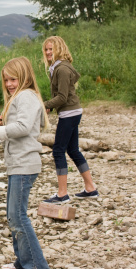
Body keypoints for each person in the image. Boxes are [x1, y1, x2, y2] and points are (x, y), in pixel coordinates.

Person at [0, 57, 51, 269]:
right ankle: (22, 262)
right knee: (13, 217)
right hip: (17, 165)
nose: (9, 84)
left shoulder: (26, 96)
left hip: (24, 165)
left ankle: (37, 268)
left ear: (24, 77)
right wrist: (3, 125)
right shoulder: (19, 97)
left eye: (13, 79)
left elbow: (24, 127)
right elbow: (17, 126)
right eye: (6, 80)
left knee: (19, 218)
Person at [41, 36, 98, 204]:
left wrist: (44, 104)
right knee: (72, 150)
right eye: (46, 49)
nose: (48, 52)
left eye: (51, 49)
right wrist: (50, 106)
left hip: (69, 113)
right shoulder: (57, 67)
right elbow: (60, 97)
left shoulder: (62, 69)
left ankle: (62, 194)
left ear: (60, 49)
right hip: (71, 112)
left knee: (58, 150)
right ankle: (90, 188)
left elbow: (62, 97)